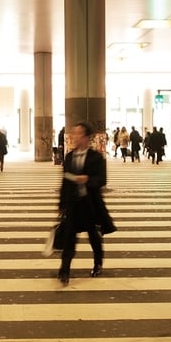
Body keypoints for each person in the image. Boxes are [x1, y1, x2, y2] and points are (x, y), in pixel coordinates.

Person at [57, 121, 115, 286]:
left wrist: (88, 179)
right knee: (69, 238)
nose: (75, 137)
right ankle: (64, 270)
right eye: (74, 133)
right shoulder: (69, 157)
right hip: (73, 204)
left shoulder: (96, 157)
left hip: (89, 204)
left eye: (79, 134)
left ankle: (97, 263)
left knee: (94, 237)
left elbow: (102, 179)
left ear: (87, 137)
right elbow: (64, 182)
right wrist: (61, 204)